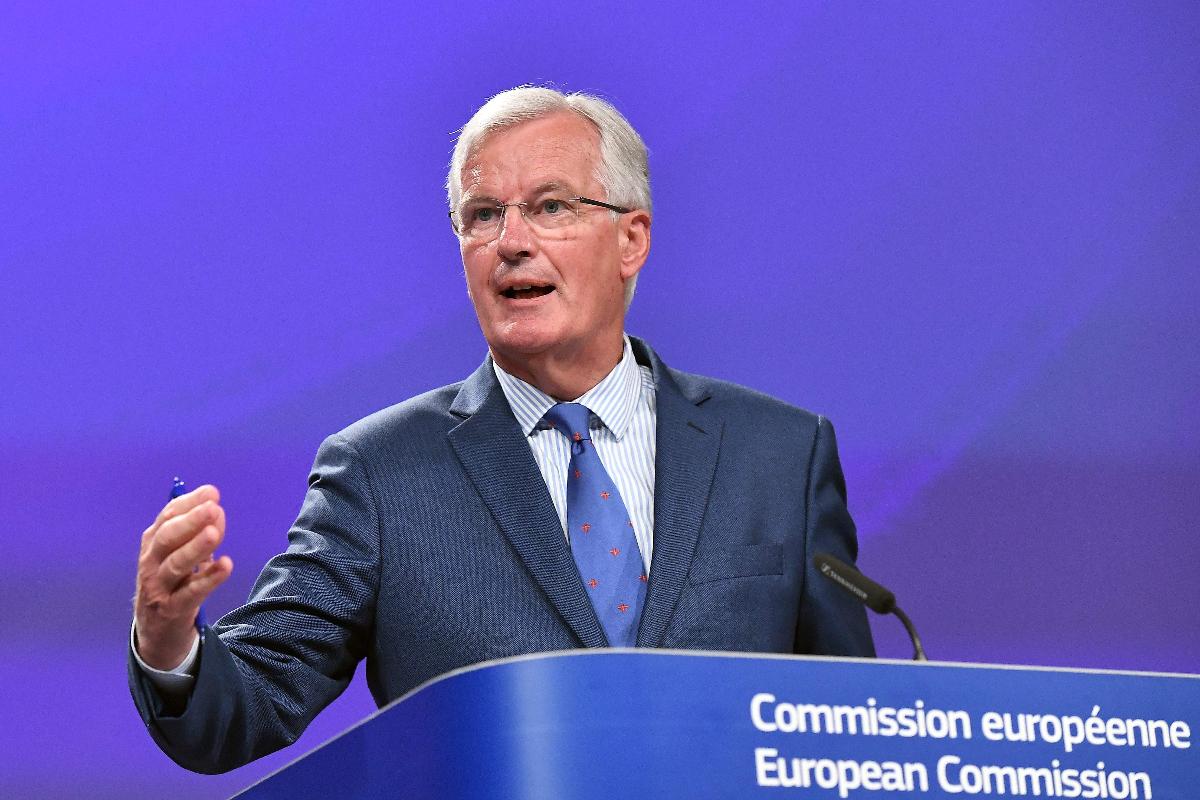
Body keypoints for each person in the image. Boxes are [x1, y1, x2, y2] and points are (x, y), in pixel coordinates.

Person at [129, 86, 875, 774]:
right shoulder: (379, 473)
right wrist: (169, 644)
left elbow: (854, 736)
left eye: (550, 207)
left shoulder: (780, 455)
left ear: (631, 239)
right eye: (483, 215)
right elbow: (246, 703)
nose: (510, 240)